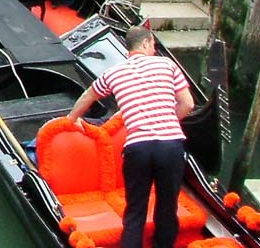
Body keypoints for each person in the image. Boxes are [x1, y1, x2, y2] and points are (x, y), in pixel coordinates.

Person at [66, 26, 195, 248]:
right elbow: (188, 104)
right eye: (153, 46)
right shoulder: (167, 65)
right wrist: (168, 121)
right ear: (145, 43)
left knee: (135, 211)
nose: (154, 50)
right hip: (170, 147)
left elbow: (88, 95)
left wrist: (72, 118)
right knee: (167, 208)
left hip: (138, 149)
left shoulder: (114, 72)